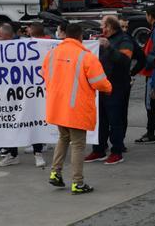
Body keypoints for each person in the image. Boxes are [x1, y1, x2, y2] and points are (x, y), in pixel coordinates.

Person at [44, 23, 112, 194]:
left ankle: (55, 173)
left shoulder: (52, 54)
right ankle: (78, 182)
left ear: (65, 34)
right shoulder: (85, 57)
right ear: (81, 36)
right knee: (78, 145)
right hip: (76, 109)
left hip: (57, 107)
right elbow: (100, 82)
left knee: (63, 138)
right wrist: (110, 88)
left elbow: (45, 75)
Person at [0, 23, 46, 167]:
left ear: (8, 36)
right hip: (8, 92)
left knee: (32, 120)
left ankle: (38, 153)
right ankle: (12, 154)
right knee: (10, 121)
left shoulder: (26, 45)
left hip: (27, 91)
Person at [85, 15, 133, 165]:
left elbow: (125, 61)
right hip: (101, 86)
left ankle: (117, 151)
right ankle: (99, 150)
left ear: (111, 27)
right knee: (100, 120)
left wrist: (109, 48)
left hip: (117, 87)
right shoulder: (102, 40)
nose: (101, 28)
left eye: (103, 25)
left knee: (115, 120)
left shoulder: (124, 40)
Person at [137, 6, 155, 145]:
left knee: (151, 103)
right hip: (154, 69)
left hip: (153, 71)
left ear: (150, 16)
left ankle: (151, 132)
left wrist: (149, 62)